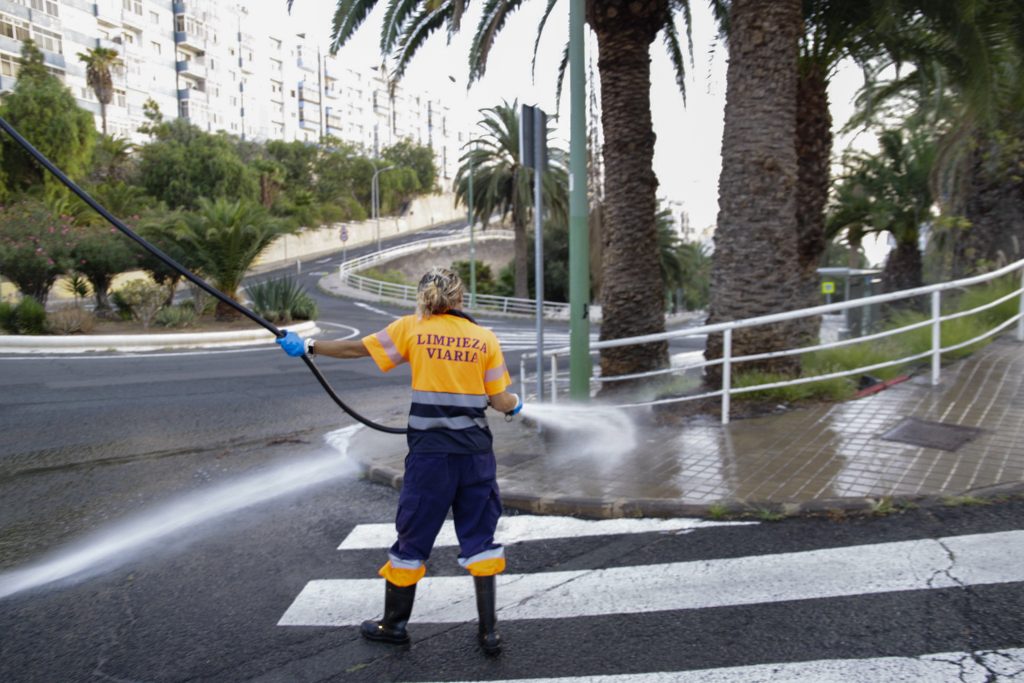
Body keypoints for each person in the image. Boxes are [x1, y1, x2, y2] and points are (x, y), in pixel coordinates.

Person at [276, 267, 521, 656]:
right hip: (475, 454)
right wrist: (517, 405)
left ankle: (394, 625)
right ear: (460, 298)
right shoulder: (484, 338)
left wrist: (308, 347)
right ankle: (489, 633)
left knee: (414, 535)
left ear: (423, 296)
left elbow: (359, 349)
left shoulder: (412, 328)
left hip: (430, 457)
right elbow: (499, 399)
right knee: (480, 536)